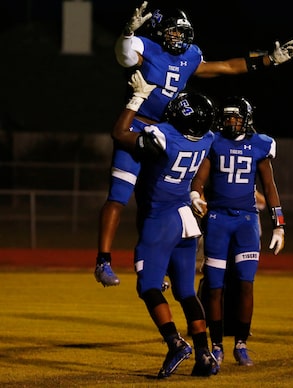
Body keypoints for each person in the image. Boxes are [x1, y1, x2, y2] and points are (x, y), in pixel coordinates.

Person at [94, 2, 293, 287]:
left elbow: (226, 67)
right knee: (119, 195)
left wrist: (268, 60)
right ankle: (103, 260)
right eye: (174, 32)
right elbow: (125, 55)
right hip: (136, 125)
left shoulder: (191, 56)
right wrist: (127, 33)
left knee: (154, 201)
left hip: (165, 132)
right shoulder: (147, 47)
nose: (180, 37)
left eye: (183, 32)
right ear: (161, 32)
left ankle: (152, 262)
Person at [112, 70, 220, 377]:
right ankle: (204, 354)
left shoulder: (164, 137)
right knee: (186, 291)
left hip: (161, 220)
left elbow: (120, 133)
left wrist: (138, 97)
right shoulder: (207, 139)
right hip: (186, 218)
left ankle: (175, 342)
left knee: (147, 286)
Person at [190, 96, 286, 368]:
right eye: (228, 117)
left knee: (245, 284)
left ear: (247, 119)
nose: (231, 122)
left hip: (246, 221)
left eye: (236, 117)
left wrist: (279, 224)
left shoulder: (260, 144)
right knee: (215, 286)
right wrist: (195, 194)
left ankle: (241, 343)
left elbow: (270, 187)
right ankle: (217, 345)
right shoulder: (214, 142)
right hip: (218, 219)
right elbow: (199, 177)